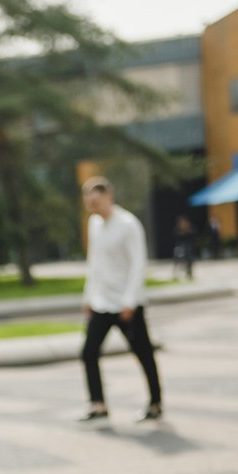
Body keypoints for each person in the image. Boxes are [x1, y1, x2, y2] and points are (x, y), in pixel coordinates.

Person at [79, 176, 163, 423]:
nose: (91, 205)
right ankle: (98, 404)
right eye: (87, 200)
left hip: (127, 304)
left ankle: (156, 403)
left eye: (95, 200)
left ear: (109, 196)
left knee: (143, 353)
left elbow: (139, 264)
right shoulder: (94, 224)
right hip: (102, 303)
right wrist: (88, 296)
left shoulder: (128, 224)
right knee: (88, 352)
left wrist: (129, 301)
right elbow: (94, 263)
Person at [172, 214, 195, 280]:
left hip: (188, 248)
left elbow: (193, 237)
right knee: (177, 261)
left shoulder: (189, 229)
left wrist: (187, 230)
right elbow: (176, 238)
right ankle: (177, 274)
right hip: (180, 248)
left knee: (189, 261)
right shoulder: (177, 229)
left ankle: (189, 273)